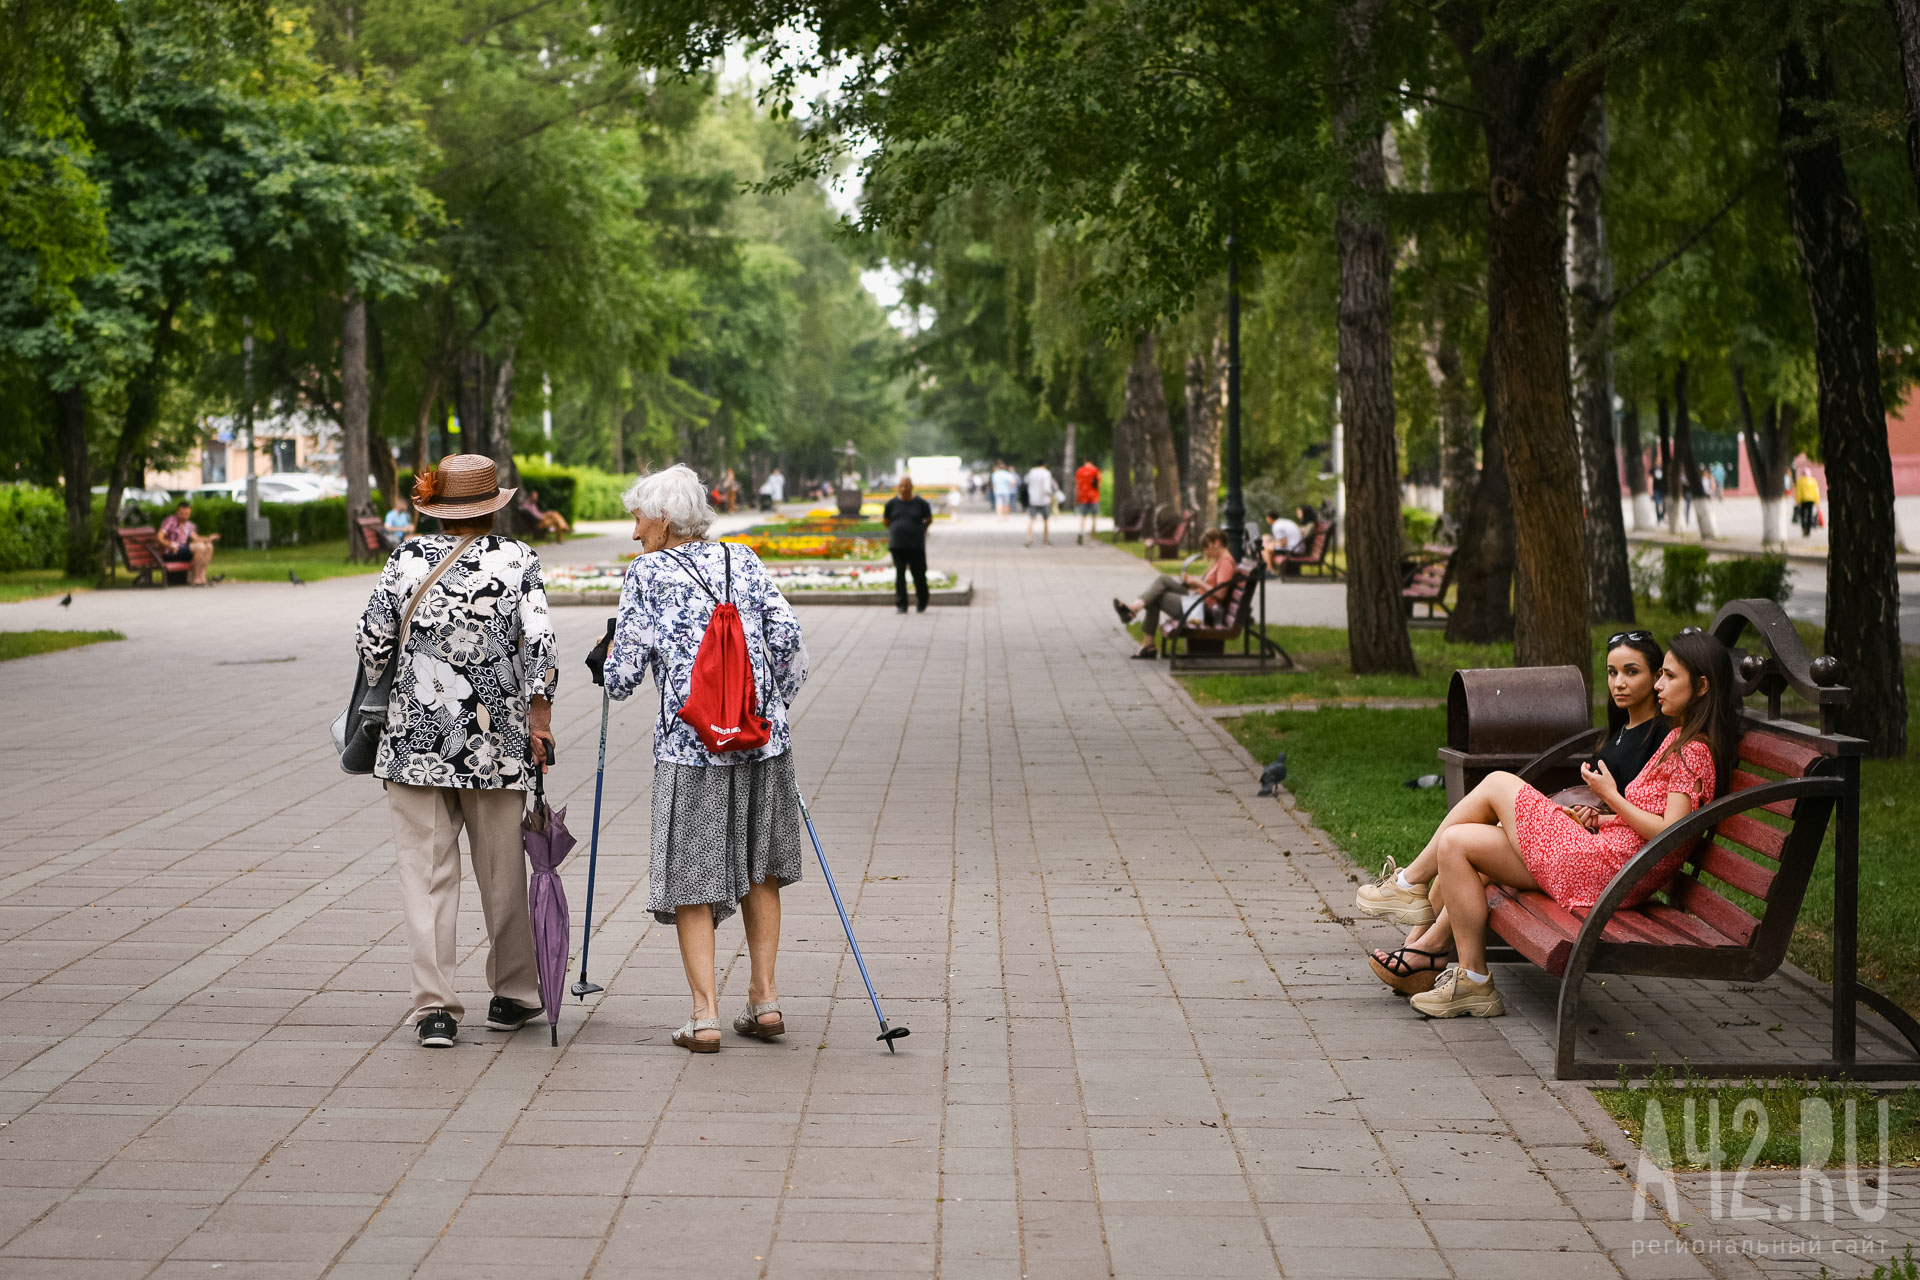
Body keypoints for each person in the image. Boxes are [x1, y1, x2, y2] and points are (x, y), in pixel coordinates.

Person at [1354, 629, 1738, 1018]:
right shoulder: (1679, 740)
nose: (1659, 684)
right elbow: (1648, 822)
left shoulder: (1694, 751)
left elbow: (1671, 834)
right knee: (1457, 844)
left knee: (1498, 783)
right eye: (1661, 675)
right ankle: (1472, 981)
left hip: (1606, 874)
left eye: (1669, 676)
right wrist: (1601, 819)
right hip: (1603, 862)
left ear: (1702, 685)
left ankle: (1408, 885)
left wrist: (1611, 796)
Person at [596, 465, 809, 1052]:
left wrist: (605, 660)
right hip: (762, 743)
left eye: (638, 518)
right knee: (760, 867)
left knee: (693, 877)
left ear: (662, 519)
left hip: (691, 750)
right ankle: (764, 1002)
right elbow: (789, 642)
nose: (635, 532)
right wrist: (772, 709)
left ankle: (705, 1015)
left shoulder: (647, 573)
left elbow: (620, 679)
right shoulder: (743, 558)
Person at [354, 454, 557, 1049]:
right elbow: (540, 643)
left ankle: (436, 1008)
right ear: (493, 506)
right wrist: (539, 719)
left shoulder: (405, 559)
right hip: (494, 743)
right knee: (502, 873)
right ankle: (515, 994)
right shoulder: (518, 560)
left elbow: (372, 644)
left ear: (437, 508)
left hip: (414, 741)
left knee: (425, 874)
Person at [1111, 528, 1237, 659]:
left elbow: (1221, 593)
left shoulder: (1226, 563)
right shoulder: (1219, 561)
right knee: (1162, 581)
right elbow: (1211, 588)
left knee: (1156, 595)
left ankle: (1136, 615)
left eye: (1206, 547)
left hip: (1201, 610)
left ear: (1216, 543)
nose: (1205, 552)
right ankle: (1136, 614)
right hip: (1197, 603)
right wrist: (1192, 584)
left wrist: (1198, 583)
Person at [883, 475, 935, 613]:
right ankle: (901, 604)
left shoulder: (921, 503)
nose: (904, 488)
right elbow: (886, 521)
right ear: (898, 487)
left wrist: (921, 530)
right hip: (897, 546)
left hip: (916, 545)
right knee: (900, 575)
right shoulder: (891, 504)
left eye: (907, 485)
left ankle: (922, 601)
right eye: (902, 485)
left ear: (912, 487)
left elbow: (928, 519)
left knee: (919, 574)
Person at [158, 500, 218, 586]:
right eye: (182, 514)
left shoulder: (188, 524)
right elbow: (159, 536)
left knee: (209, 546)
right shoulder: (170, 521)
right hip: (172, 552)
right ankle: (196, 578)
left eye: (187, 514)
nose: (184, 516)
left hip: (182, 551)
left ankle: (202, 576)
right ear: (177, 512)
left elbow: (196, 538)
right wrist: (169, 544)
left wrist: (209, 539)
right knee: (200, 547)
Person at [1023, 461, 1058, 547]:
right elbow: (1046, 488)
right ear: (1044, 465)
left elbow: (1025, 481)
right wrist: (1052, 494)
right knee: (1046, 520)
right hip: (1044, 500)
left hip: (1033, 499)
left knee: (1032, 519)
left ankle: (1028, 538)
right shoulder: (1046, 473)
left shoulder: (1031, 472)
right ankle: (1045, 539)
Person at [1074, 456, 1101, 545]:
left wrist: (1076, 497)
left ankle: (1081, 532)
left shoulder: (1079, 471)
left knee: (1083, 516)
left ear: (1084, 461)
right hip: (1094, 497)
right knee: (1094, 518)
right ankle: (1092, 538)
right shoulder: (1095, 470)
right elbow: (1099, 484)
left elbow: (1077, 485)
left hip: (1083, 497)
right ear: (1091, 461)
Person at [1795, 467, 1821, 537]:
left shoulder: (1800, 481)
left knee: (1802, 515)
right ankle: (1808, 530)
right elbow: (1816, 492)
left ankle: (1803, 527)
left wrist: (1798, 501)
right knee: (1810, 515)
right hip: (1811, 501)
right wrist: (1817, 501)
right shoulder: (1813, 480)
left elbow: (1798, 492)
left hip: (1803, 501)